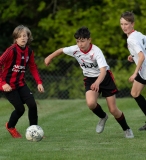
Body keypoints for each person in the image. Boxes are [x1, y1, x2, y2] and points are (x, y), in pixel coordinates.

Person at [44, 26, 134, 138]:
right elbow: (61, 50)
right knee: (91, 104)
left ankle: (127, 129)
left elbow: (103, 71)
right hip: (90, 78)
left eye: (82, 41)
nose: (80, 44)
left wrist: (97, 83)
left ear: (89, 40)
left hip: (105, 78)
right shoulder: (75, 49)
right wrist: (49, 57)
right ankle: (103, 117)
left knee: (113, 109)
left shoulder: (96, 51)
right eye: (78, 41)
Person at [0, 25, 44, 138]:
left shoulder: (29, 51)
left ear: (28, 37)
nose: (23, 38)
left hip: (21, 84)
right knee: (20, 109)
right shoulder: (11, 50)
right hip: (8, 85)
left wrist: (39, 82)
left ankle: (34, 132)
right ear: (15, 39)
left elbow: (33, 67)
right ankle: (10, 126)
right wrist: (2, 83)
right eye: (20, 36)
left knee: (32, 105)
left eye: (25, 36)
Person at [120, 11, 146, 131]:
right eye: (122, 24)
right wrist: (133, 55)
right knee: (135, 93)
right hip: (143, 71)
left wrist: (134, 73)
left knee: (135, 94)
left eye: (126, 24)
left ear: (132, 24)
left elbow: (142, 56)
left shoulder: (131, 39)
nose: (124, 27)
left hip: (143, 71)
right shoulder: (139, 35)